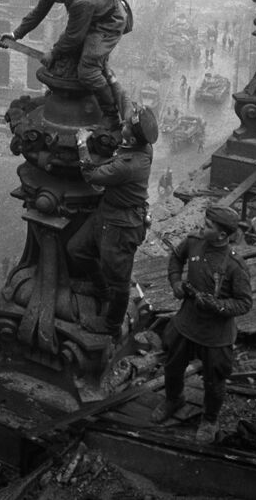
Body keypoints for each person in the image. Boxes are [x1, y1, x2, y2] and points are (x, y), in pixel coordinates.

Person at [151, 204, 253, 444]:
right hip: (186, 323)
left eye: (207, 226)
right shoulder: (194, 242)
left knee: (214, 380)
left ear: (222, 235)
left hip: (216, 335)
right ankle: (174, 399)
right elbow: (176, 258)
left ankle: (209, 419)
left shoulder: (235, 266)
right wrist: (176, 283)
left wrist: (217, 306)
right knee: (172, 367)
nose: (200, 227)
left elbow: (245, 303)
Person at [67, 106, 158, 339]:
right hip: (107, 213)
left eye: (126, 125)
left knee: (119, 281)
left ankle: (111, 324)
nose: (123, 126)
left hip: (121, 225)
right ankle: (101, 289)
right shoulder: (143, 148)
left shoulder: (127, 165)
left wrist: (81, 143)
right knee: (77, 249)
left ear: (131, 136)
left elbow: (91, 175)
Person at [0, 0, 128, 122]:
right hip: (93, 16)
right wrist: (15, 34)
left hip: (108, 23)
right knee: (72, 58)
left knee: (88, 71)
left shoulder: (79, 0)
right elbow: (38, 13)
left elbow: (74, 36)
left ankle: (110, 112)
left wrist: (53, 53)